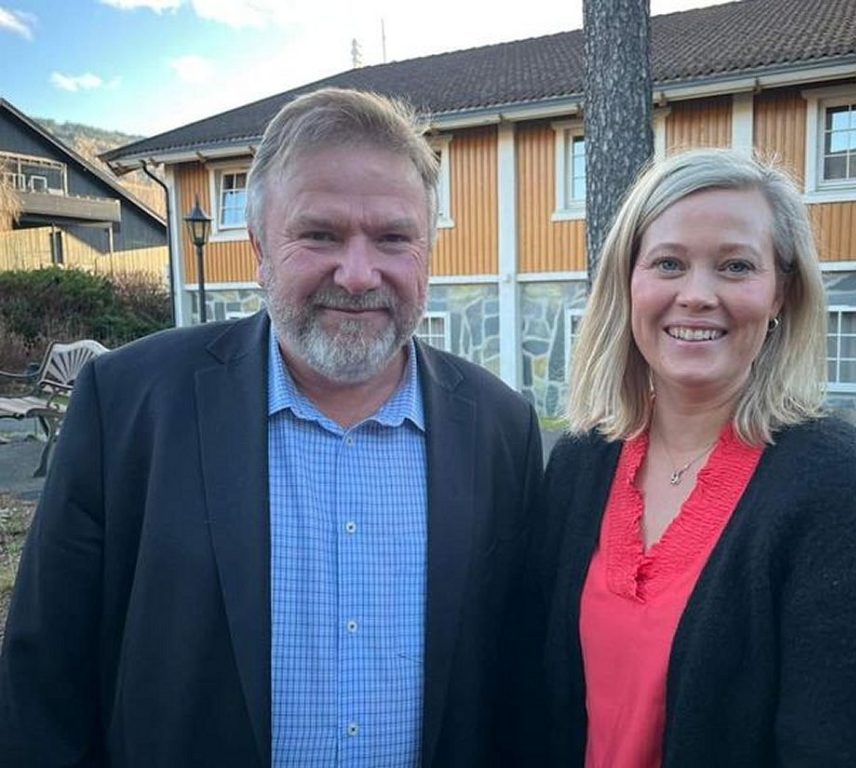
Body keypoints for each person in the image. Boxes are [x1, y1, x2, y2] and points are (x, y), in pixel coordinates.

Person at [0, 88, 543, 767]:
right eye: (319, 234)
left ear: (427, 251)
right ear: (259, 246)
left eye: (393, 238)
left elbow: (521, 682)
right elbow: (44, 682)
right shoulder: (129, 405)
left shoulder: (501, 429)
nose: (356, 272)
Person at [530, 148, 856, 767]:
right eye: (668, 263)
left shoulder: (841, 488)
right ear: (627, 282)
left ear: (780, 293)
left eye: (736, 266)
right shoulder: (581, 464)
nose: (696, 295)